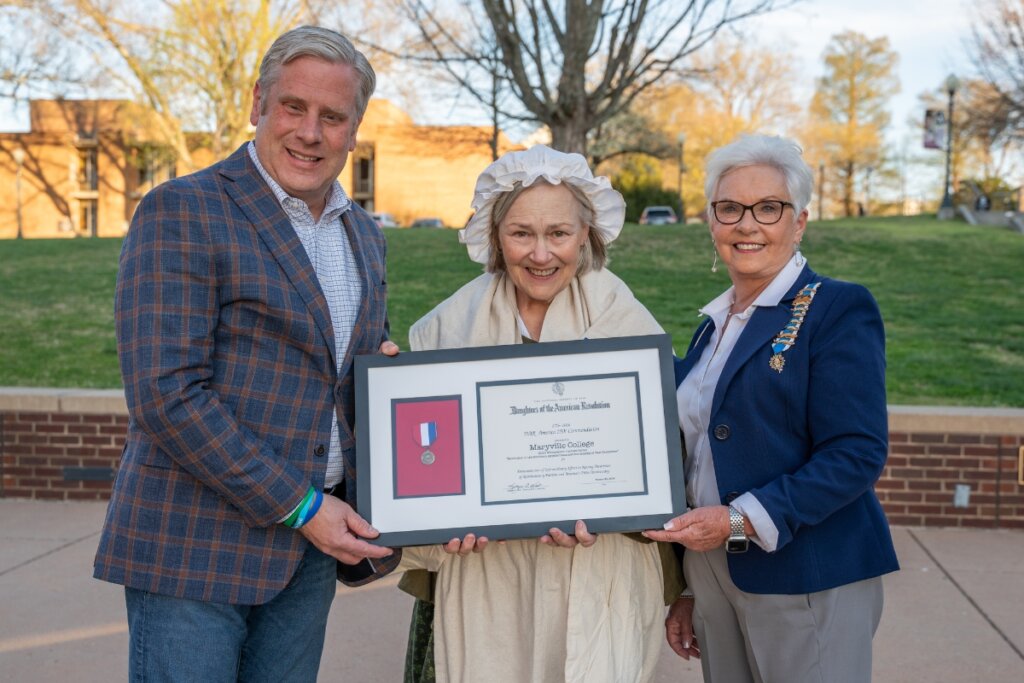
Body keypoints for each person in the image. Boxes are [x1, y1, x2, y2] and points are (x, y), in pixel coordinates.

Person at [92, 26, 400, 681]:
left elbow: (348, 377)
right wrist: (303, 507)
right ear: (259, 103)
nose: (310, 132)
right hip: (192, 548)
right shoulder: (183, 209)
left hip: (308, 557)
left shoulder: (364, 235)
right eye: (293, 106)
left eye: (332, 116)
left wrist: (391, 380)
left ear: (354, 130)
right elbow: (166, 394)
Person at [397, 145, 683, 683]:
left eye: (558, 233)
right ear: (495, 235)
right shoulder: (451, 327)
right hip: (487, 569)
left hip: (600, 566)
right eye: (521, 233)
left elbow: (661, 461)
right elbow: (425, 458)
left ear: (585, 234)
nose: (541, 253)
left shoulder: (625, 321)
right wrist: (441, 520)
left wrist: (610, 506)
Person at [644, 134, 899, 683]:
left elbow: (856, 453)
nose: (747, 224)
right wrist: (690, 585)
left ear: (799, 221)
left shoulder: (836, 308)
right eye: (729, 208)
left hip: (805, 570)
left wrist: (738, 520)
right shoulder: (713, 326)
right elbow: (699, 456)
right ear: (712, 222)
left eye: (768, 208)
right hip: (714, 569)